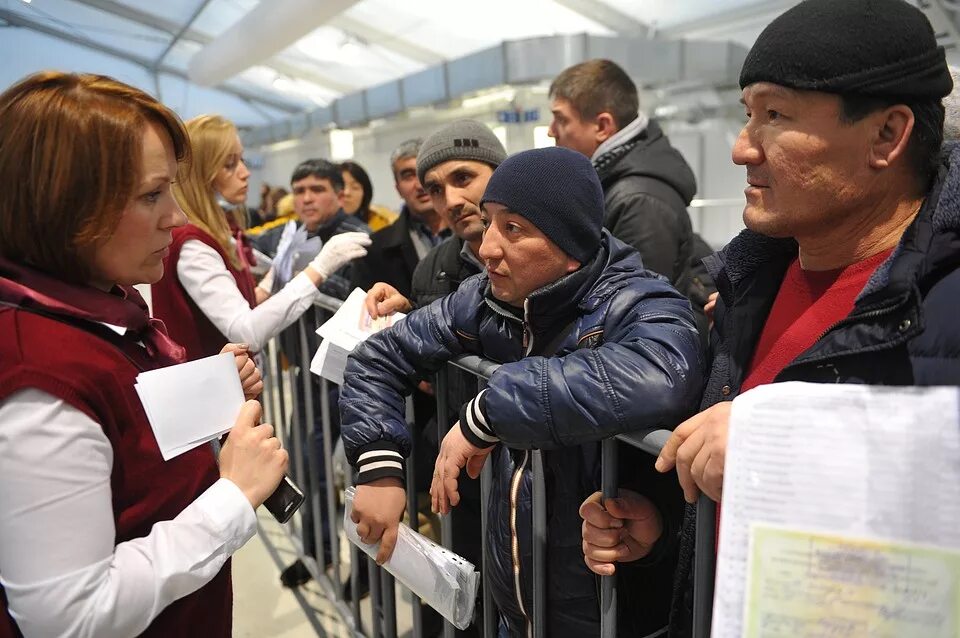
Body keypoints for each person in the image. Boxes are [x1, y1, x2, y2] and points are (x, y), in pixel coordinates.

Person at [579, 1, 960, 635]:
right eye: (746, 114)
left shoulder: (943, 303)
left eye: (776, 115)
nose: (740, 148)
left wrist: (786, 449)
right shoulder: (745, 288)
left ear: (887, 136)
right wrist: (669, 530)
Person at [341, 146, 703, 637]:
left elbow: (662, 372)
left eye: (513, 229)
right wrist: (380, 468)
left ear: (570, 242)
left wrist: (489, 410)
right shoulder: (487, 299)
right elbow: (380, 356)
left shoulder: (638, 300)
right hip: (515, 604)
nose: (487, 247)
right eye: (489, 223)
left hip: (611, 613)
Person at [0, 71, 288, 637]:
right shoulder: (37, 374)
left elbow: (121, 437)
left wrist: (210, 390)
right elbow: (70, 617)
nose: (176, 217)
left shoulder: (99, 303)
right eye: (152, 195)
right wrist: (234, 495)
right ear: (67, 208)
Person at [151, 120, 370, 360]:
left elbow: (229, 304)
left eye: (242, 160)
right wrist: (319, 269)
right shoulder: (194, 244)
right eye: (230, 165)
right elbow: (245, 331)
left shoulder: (213, 235)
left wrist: (270, 283)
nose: (245, 173)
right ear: (202, 175)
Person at [350, 139, 448, 298]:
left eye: (425, 172)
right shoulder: (373, 251)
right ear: (398, 189)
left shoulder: (475, 232)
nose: (420, 185)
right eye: (408, 176)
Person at [340, 160, 399, 232]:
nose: (346, 192)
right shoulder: (323, 226)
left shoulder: (381, 226)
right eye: (341, 186)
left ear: (365, 194)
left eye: (355, 187)